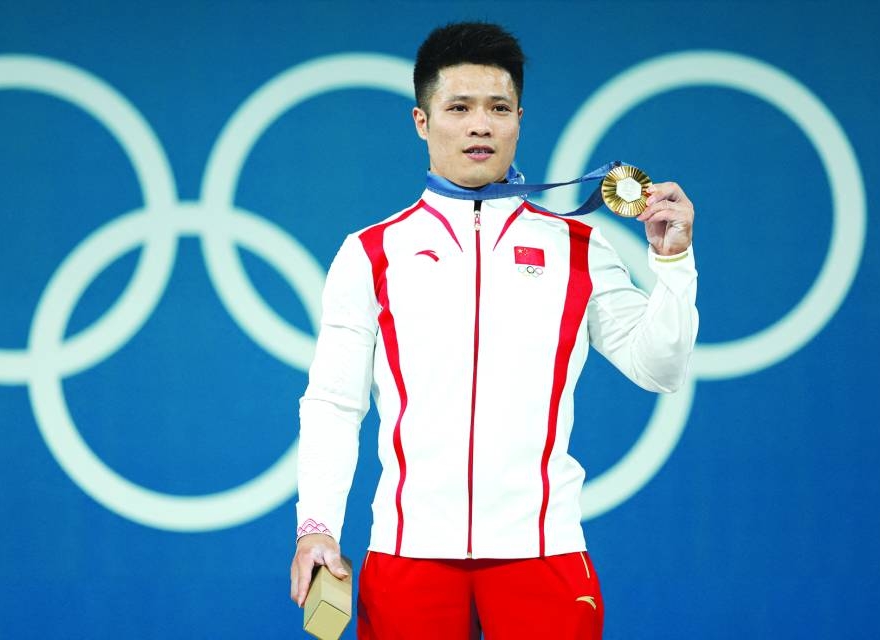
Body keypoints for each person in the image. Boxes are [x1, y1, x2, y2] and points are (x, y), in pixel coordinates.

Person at [290, 21, 698, 639]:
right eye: (459, 107)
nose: (481, 124)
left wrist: (673, 264)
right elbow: (334, 403)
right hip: (408, 554)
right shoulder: (372, 252)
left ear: (519, 119)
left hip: (544, 551)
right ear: (422, 121)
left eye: (498, 108)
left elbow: (660, 368)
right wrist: (317, 525)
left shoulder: (579, 248)